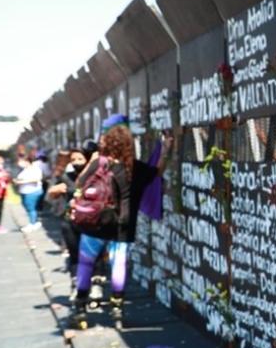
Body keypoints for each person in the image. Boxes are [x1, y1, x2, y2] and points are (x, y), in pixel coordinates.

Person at [70, 115, 171, 328]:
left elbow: (78, 182)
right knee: (119, 264)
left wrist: (96, 158)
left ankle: (80, 308)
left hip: (95, 221)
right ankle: (117, 308)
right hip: (123, 225)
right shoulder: (134, 167)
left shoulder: (99, 162)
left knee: (86, 262)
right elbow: (158, 172)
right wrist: (167, 148)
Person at [46, 146, 93, 279]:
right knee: (75, 254)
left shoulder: (94, 177)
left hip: (91, 220)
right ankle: (76, 283)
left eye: (80, 159)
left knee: (92, 255)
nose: (76, 162)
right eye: (73, 159)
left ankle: (94, 284)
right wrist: (55, 191)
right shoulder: (66, 177)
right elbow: (51, 195)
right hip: (70, 220)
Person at [13, 155, 45, 232]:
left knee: (30, 207)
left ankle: (32, 223)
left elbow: (36, 179)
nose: (19, 163)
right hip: (24, 191)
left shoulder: (35, 169)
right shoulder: (24, 170)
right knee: (27, 206)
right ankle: (34, 221)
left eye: (21, 161)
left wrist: (22, 182)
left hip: (32, 191)